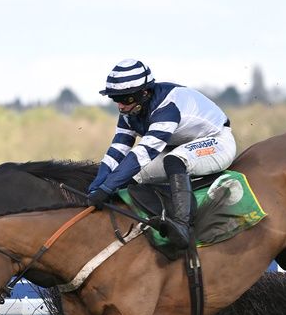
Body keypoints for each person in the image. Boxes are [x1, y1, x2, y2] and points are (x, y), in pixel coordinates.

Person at [86, 59, 236, 249]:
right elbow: (117, 150)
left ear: (145, 93)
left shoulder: (167, 107)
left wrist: (106, 188)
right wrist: (95, 187)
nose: (121, 106)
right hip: (177, 145)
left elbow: (143, 153)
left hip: (218, 141)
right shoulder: (129, 113)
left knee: (174, 161)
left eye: (126, 99)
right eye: (116, 99)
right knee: (128, 177)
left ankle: (182, 225)